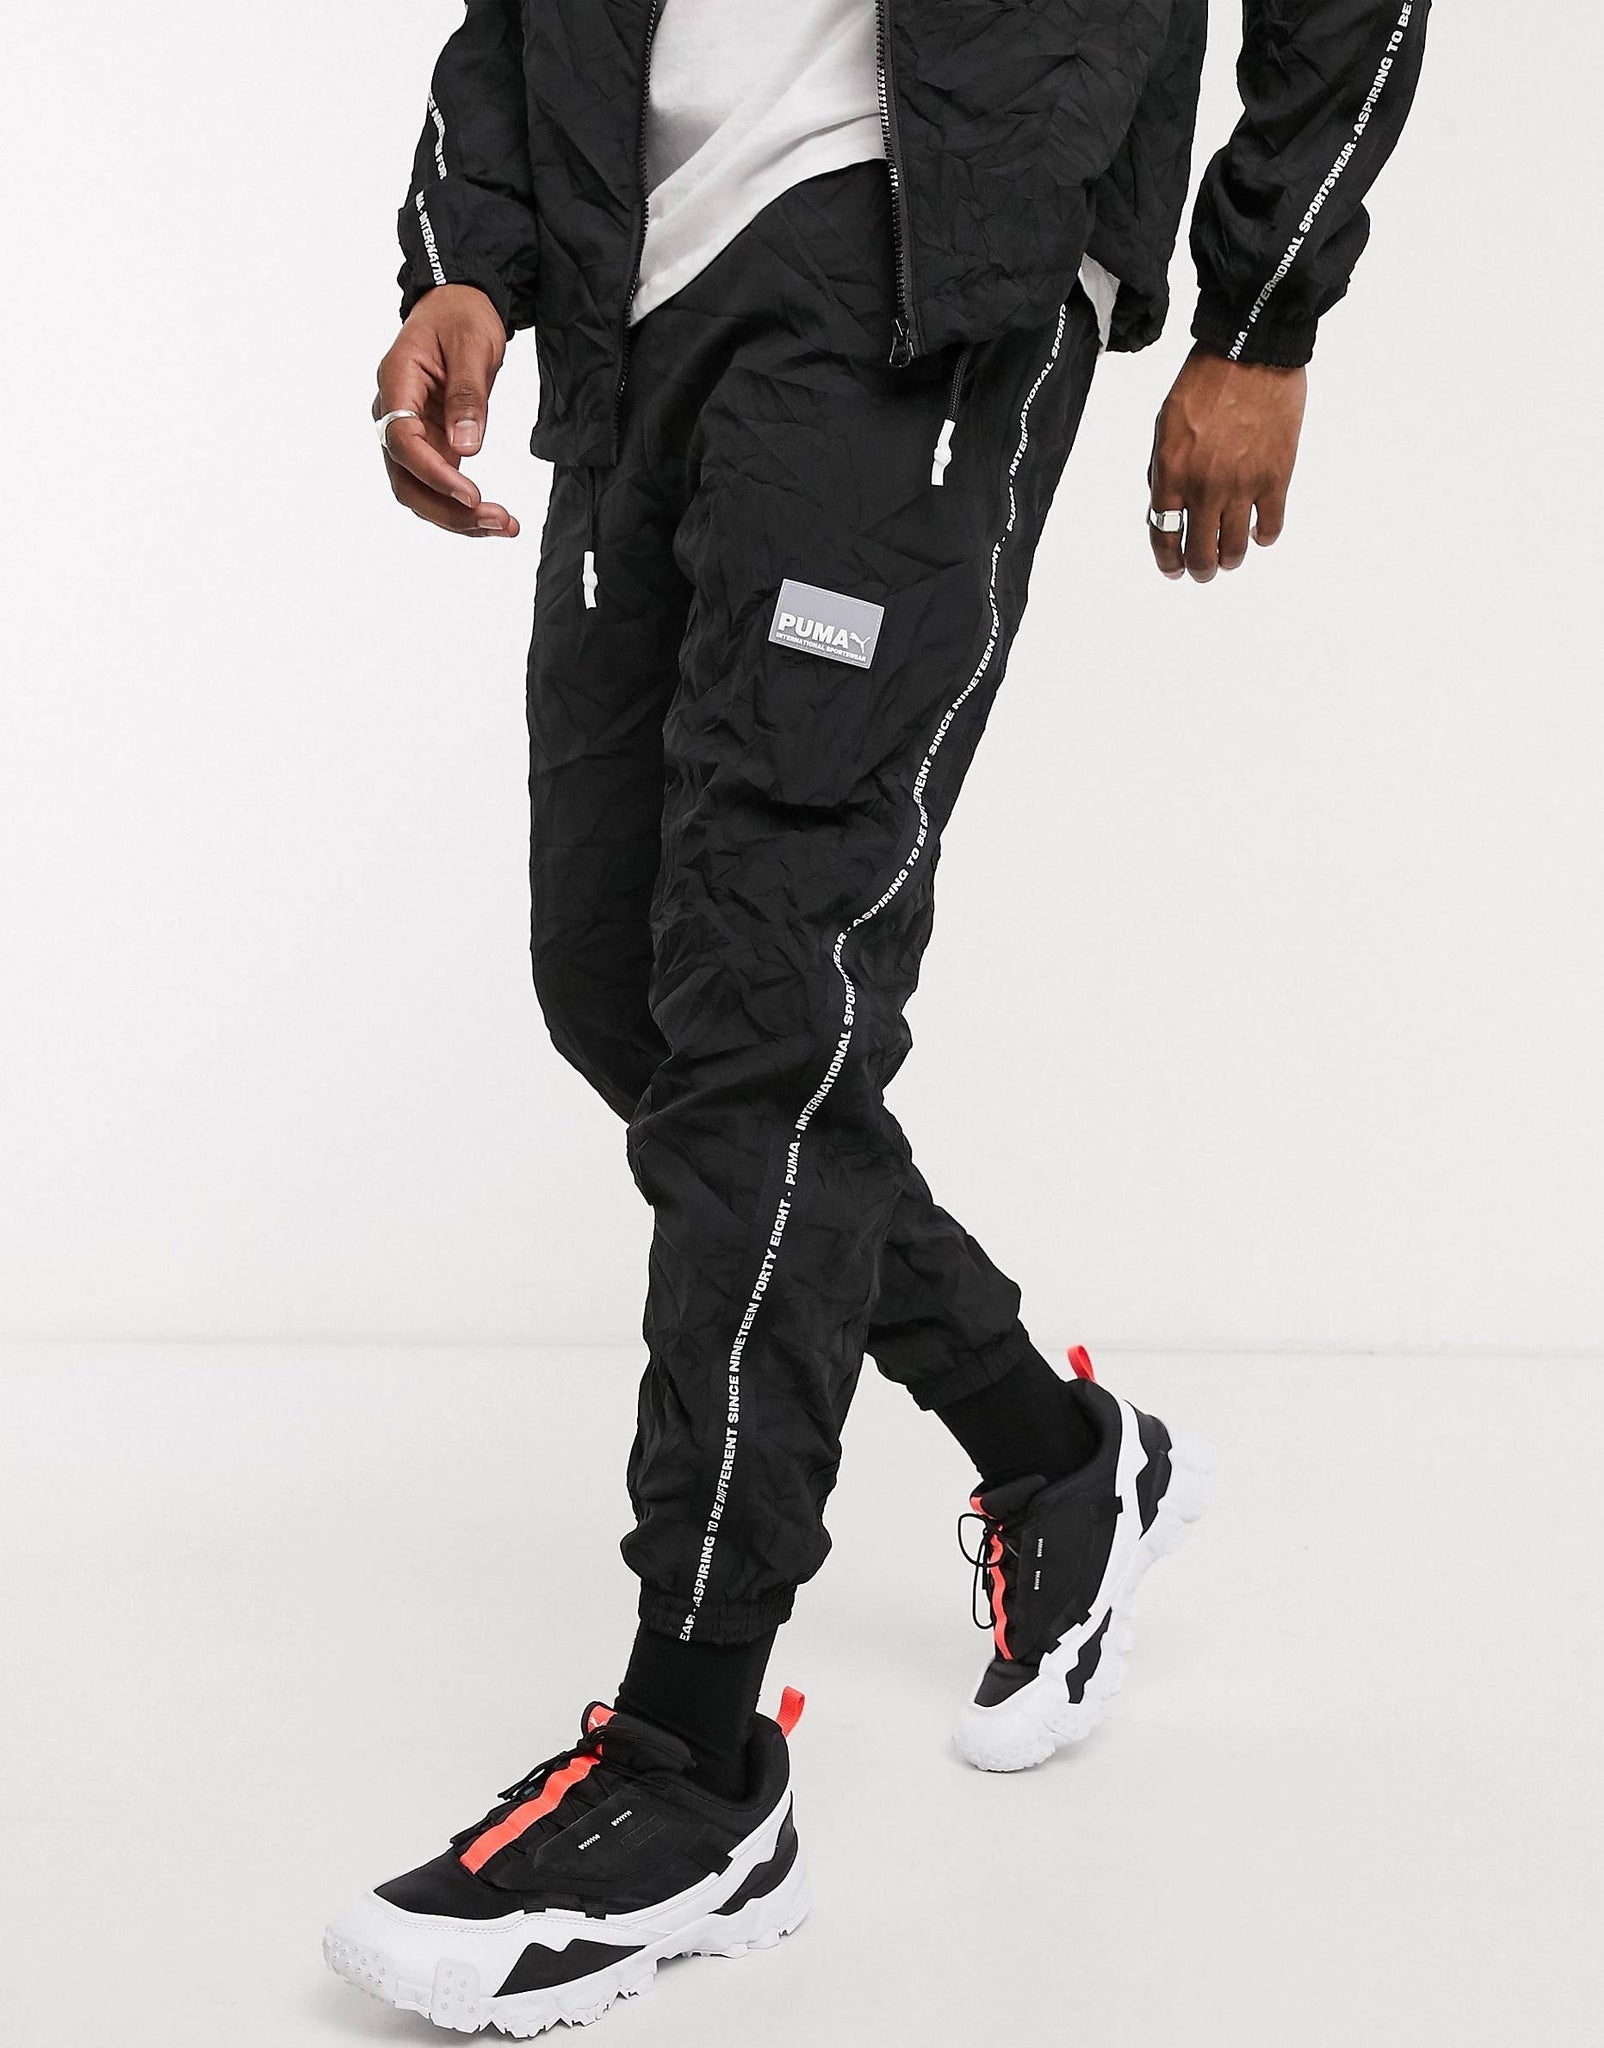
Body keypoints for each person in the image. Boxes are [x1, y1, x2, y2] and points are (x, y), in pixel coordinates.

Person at [326, 0, 1429, 2032]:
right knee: (621, 989)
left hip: (918, 265)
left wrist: (1264, 313)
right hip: (637, 286)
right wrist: (470, 259)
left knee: (763, 999)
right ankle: (1057, 1451)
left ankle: (692, 1766)